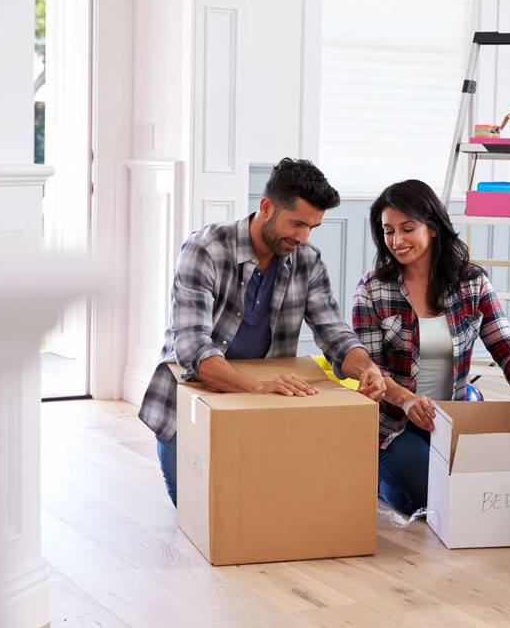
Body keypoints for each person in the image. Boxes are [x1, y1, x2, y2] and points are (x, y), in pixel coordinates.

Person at [138, 158, 387, 506]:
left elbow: (335, 333)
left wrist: (368, 369)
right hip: (192, 399)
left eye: (312, 227)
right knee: (199, 510)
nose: (303, 237)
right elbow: (193, 349)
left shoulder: (308, 261)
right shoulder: (205, 249)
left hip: (264, 408)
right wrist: (258, 387)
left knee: (264, 511)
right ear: (266, 207)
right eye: (297, 223)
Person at [352, 179, 510, 516]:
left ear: (432, 227)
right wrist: (406, 402)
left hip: (452, 416)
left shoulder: (471, 281)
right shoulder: (373, 289)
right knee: (431, 497)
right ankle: (374, 472)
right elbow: (370, 369)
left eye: (408, 228)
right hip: (393, 426)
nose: (397, 241)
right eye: (388, 231)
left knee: (485, 488)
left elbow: (503, 341)